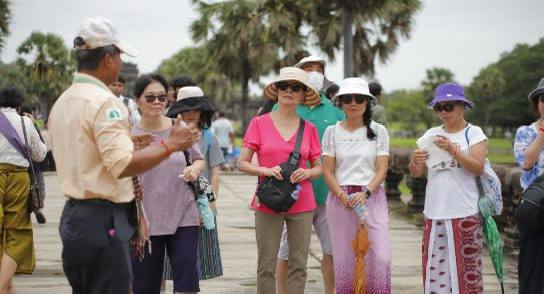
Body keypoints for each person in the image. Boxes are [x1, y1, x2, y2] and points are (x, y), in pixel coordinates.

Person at [48, 16, 200, 294]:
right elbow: (122, 165)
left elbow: (88, 153)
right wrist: (170, 146)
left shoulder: (64, 100)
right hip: (103, 217)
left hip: (74, 217)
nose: (119, 64)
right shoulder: (105, 102)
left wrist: (130, 144)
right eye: (118, 56)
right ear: (108, 58)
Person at [238, 67, 323, 294]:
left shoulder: (310, 129)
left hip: (302, 201)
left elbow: (320, 168)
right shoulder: (259, 123)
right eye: (284, 86)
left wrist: (308, 173)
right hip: (268, 200)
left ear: (303, 95)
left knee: (299, 264)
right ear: (276, 91)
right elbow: (242, 162)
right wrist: (264, 169)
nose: (289, 91)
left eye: (296, 87)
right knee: (266, 264)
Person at [271, 55, 344, 294]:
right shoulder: (282, 107)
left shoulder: (335, 111)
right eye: (308, 69)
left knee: (331, 250)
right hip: (292, 194)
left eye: (318, 69)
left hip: (327, 192)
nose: (314, 72)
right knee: (286, 251)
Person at [130, 75, 205, 294]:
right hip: (145, 221)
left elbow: (199, 158)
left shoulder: (178, 128)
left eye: (162, 98)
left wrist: (195, 169)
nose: (156, 102)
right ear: (137, 100)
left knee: (187, 283)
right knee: (145, 286)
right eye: (150, 97)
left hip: (184, 214)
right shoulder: (130, 136)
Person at [409, 82, 486, 293]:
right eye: (439, 107)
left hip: (464, 211)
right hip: (434, 212)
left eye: (449, 107)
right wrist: (415, 161)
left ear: (462, 106)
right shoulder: (431, 134)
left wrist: (454, 151)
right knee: (435, 273)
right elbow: (416, 173)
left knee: (467, 273)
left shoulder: (474, 133)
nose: (443, 112)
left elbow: (478, 168)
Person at [321, 78, 391, 293]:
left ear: (367, 102)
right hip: (340, 200)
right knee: (344, 259)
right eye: (347, 98)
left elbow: (381, 169)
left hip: (372, 197)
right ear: (340, 102)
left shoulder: (379, 131)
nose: (353, 103)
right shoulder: (332, 132)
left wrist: (366, 192)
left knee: (379, 256)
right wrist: (342, 196)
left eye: (359, 98)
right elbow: (327, 170)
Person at [167, 86, 225, 282]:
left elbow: (215, 171)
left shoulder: (210, 137)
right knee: (169, 261)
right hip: (173, 203)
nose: (191, 114)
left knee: (195, 260)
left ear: (203, 112)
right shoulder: (169, 135)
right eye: (186, 110)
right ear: (177, 112)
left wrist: (211, 202)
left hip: (201, 203)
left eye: (196, 110)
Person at [0, 86, 47, 293]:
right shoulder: (25, 122)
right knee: (17, 230)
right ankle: (4, 283)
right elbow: (40, 155)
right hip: (19, 178)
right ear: (19, 105)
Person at [513, 76, 544, 294]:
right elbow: (526, 162)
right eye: (543, 98)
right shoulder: (526, 132)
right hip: (536, 210)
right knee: (532, 268)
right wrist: (542, 133)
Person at [18, 104, 47, 224]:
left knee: (39, 187)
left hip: (32, 164)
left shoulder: (31, 125)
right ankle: (36, 208)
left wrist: (33, 124)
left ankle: (37, 209)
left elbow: (40, 142)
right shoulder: (20, 124)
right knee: (34, 187)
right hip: (28, 164)